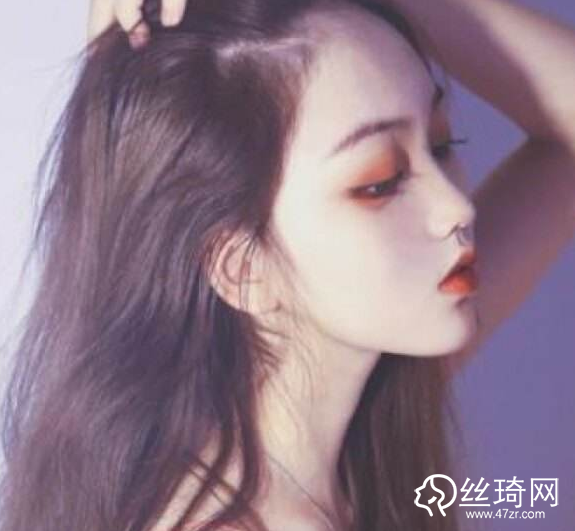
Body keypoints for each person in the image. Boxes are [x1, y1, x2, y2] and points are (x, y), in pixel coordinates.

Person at [1, 0, 575, 530]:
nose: (456, 207)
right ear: (243, 269)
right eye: (379, 183)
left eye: (443, 144)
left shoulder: (369, 410)